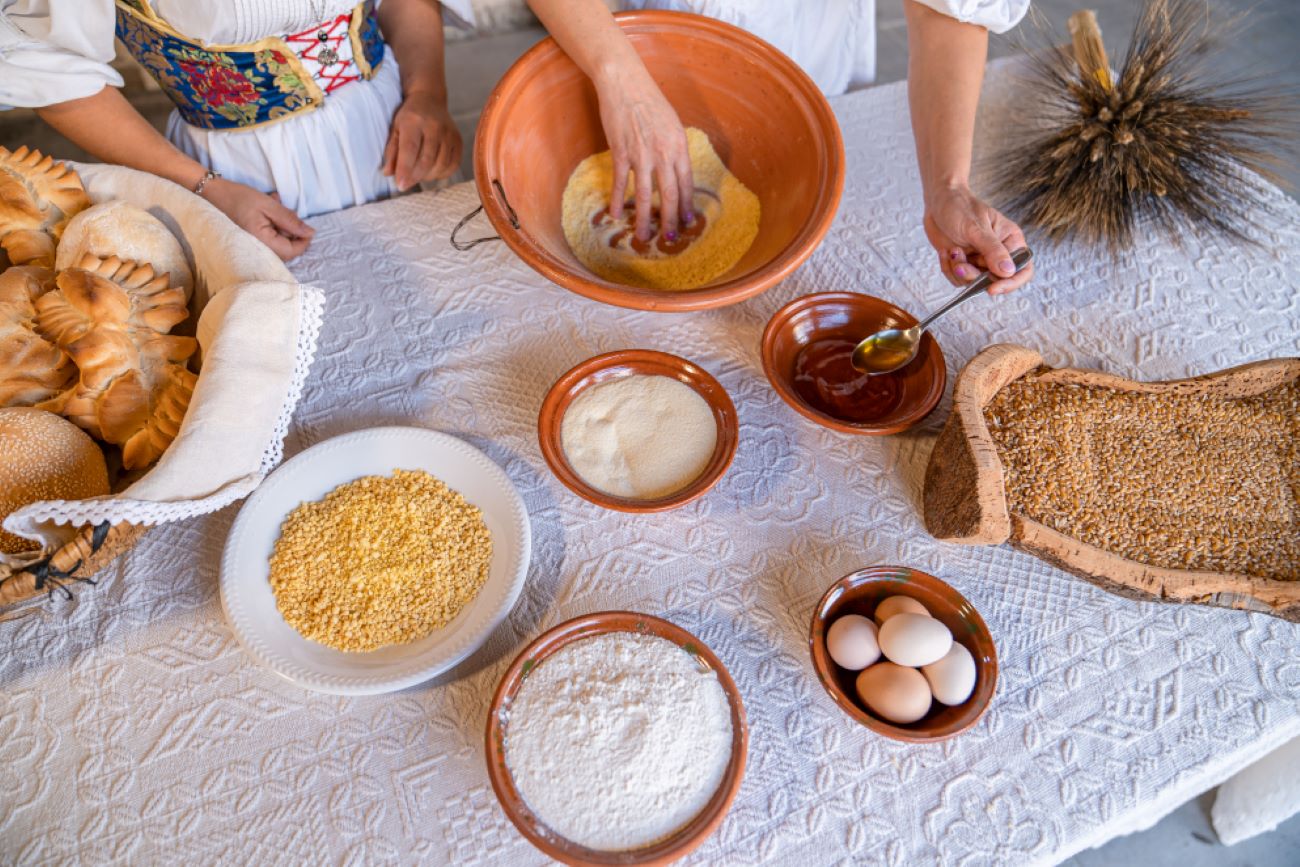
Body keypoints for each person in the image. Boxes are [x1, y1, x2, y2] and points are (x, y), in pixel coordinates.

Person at [527, 0, 1035, 295]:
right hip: (638, 44)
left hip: (814, 58)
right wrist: (622, 80)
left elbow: (947, 7)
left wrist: (949, 186)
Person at [0, 0, 468, 260]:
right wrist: (204, 189)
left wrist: (427, 92)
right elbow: (50, 67)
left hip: (391, 121)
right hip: (241, 175)